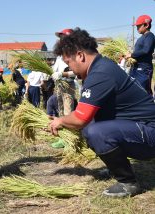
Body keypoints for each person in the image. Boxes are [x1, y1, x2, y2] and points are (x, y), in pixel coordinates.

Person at [50, 28, 155, 197]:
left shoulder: (100, 74)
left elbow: (80, 118)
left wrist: (60, 121)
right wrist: (62, 119)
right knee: (92, 125)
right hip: (142, 128)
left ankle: (127, 182)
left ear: (80, 56)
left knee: (94, 131)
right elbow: (85, 113)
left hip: (150, 132)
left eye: (68, 62)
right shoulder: (101, 66)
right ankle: (116, 167)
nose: (70, 68)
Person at [126, 15, 155, 95]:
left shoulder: (150, 36)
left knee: (144, 92)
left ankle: (150, 106)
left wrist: (131, 55)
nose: (137, 28)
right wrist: (130, 58)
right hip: (135, 68)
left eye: (139, 26)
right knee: (135, 91)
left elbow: (146, 50)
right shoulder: (141, 38)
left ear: (146, 25)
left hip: (144, 69)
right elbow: (139, 52)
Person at [52, 28, 77, 116]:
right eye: (60, 38)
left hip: (68, 85)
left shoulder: (74, 53)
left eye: (62, 37)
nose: (60, 40)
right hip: (59, 85)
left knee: (68, 111)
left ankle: (69, 129)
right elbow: (55, 69)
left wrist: (62, 74)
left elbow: (76, 72)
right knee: (60, 108)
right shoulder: (60, 54)